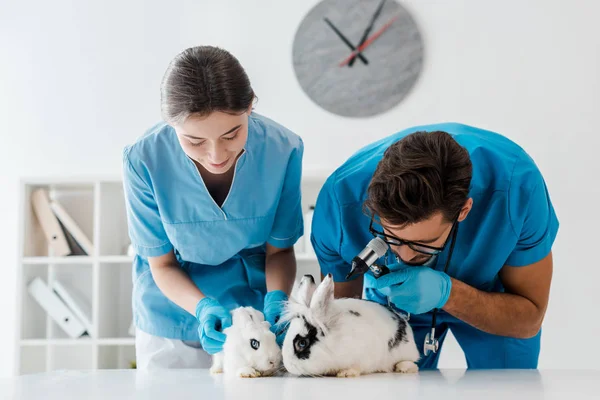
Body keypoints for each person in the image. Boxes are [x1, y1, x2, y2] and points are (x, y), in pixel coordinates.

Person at [311, 122, 558, 369]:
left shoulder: (517, 187)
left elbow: (529, 318)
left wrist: (447, 293)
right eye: (391, 237)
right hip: (393, 300)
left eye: (422, 244)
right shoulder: (339, 202)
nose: (405, 256)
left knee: (508, 388)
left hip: (494, 297)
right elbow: (340, 322)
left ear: (464, 211)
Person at [122, 45, 304, 369]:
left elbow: (280, 252)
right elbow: (161, 264)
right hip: (170, 317)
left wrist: (278, 297)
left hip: (250, 315)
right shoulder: (143, 160)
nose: (216, 155)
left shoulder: (283, 150)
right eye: (194, 142)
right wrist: (203, 308)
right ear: (170, 124)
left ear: (250, 107)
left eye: (232, 134)